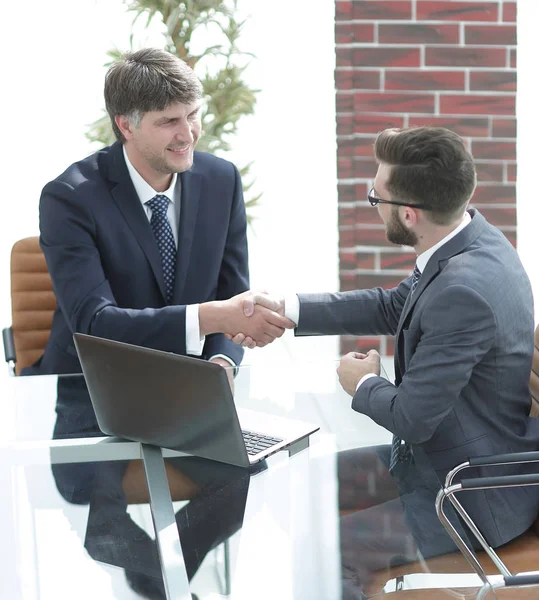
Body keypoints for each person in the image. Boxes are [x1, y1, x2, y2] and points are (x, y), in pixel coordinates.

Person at [24, 47, 292, 595]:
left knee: (246, 478)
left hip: (187, 390)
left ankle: (162, 590)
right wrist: (211, 315)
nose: (188, 133)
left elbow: (229, 294)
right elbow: (95, 322)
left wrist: (221, 356)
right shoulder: (70, 198)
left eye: (193, 114)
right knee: (94, 501)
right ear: (126, 124)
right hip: (90, 390)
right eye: (170, 121)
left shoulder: (220, 181)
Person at [232, 126, 539, 597]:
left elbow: (412, 418)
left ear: (410, 215)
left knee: (331, 547)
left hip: (469, 494)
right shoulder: (474, 238)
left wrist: (363, 383)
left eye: (376, 197)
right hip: (434, 462)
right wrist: (289, 308)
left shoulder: (463, 290)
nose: (372, 201)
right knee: (297, 488)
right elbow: (393, 305)